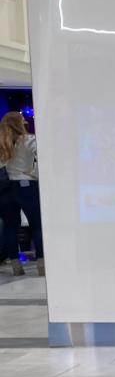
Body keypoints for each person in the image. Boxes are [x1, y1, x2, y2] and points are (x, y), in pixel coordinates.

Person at [0, 112, 42, 275]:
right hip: (26, 185)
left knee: (10, 227)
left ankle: (16, 267)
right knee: (37, 225)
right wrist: (34, 173)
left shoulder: (2, 141)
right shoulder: (29, 140)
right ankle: (41, 266)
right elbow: (42, 158)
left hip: (4, 189)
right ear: (19, 123)